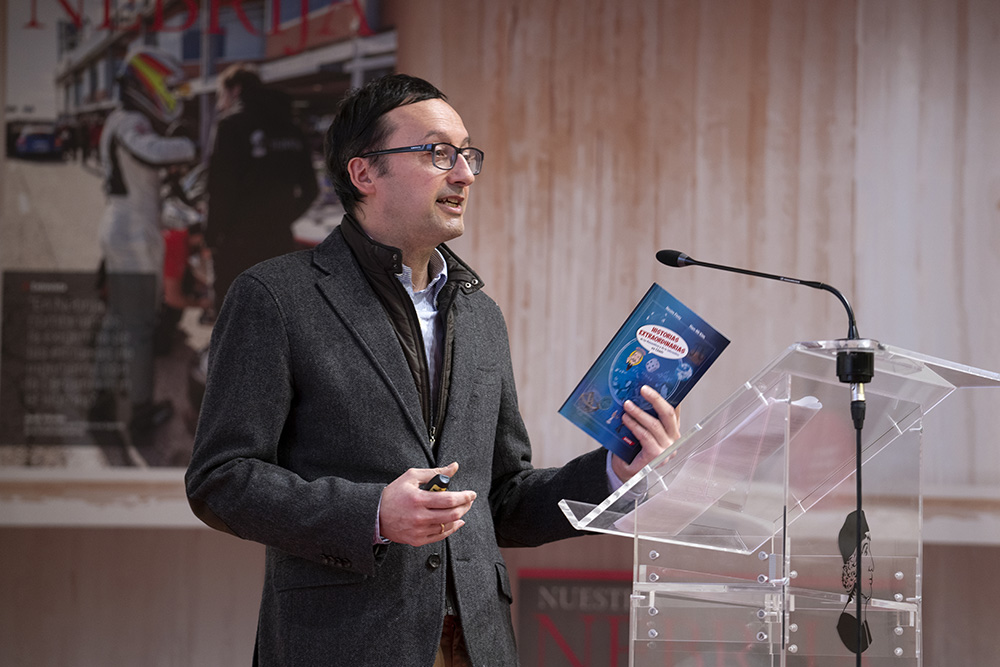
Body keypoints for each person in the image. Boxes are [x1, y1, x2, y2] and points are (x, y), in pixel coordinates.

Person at [185, 73, 680, 667]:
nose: (465, 174)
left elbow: (501, 499)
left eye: (467, 155)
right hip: (345, 644)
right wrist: (372, 514)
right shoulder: (275, 297)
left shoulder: (479, 314)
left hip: (477, 644)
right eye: (438, 153)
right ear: (364, 173)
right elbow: (221, 480)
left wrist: (613, 475)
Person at [95, 46, 196, 435]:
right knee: (137, 326)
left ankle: (101, 400)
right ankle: (139, 413)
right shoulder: (131, 121)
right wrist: (189, 145)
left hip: (122, 228)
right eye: (167, 86)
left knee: (116, 319)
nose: (171, 95)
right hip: (134, 235)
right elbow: (150, 153)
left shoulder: (117, 119)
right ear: (148, 83)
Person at [205, 63, 319, 312]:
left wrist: (211, 236)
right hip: (280, 241)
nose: (220, 103)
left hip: (237, 243)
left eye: (221, 94)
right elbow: (311, 189)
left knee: (234, 317)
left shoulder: (232, 125)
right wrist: (282, 217)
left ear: (235, 90)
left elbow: (220, 189)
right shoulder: (292, 128)